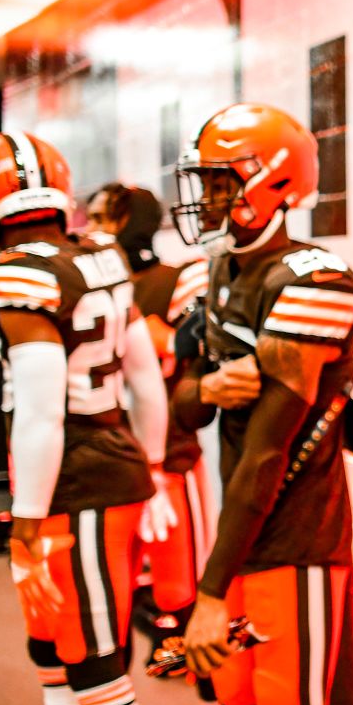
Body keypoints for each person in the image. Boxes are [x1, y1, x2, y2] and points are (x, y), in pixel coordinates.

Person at [169, 103, 353, 705]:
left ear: (275, 183)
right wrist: (205, 388)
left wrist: (209, 591)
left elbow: (267, 452)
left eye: (221, 182)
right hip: (242, 531)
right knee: (232, 697)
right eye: (203, 182)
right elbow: (186, 409)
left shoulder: (316, 281)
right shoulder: (211, 270)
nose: (205, 199)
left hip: (296, 535)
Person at [0, 131, 168, 705]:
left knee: (91, 664)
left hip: (75, 484)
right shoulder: (101, 256)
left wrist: (26, 526)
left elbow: (40, 411)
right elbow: (145, 378)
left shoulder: (17, 274)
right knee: (55, 649)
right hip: (114, 469)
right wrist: (153, 465)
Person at [85, 183, 212, 671]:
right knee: (111, 592)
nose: (91, 229)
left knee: (180, 586)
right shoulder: (89, 285)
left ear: (126, 222)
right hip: (111, 461)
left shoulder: (178, 278)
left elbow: (186, 344)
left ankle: (192, 666)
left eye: (101, 217)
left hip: (170, 456)